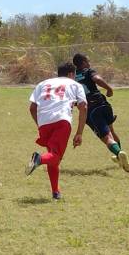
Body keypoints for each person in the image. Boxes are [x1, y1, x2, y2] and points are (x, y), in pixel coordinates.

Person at [25, 62, 88, 200]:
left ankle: (55, 192)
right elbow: (83, 107)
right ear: (71, 74)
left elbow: (32, 108)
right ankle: (38, 159)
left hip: (43, 122)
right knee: (55, 156)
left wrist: (40, 125)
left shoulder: (43, 83)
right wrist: (79, 133)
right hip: (61, 120)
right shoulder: (75, 85)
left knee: (52, 155)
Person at [72, 53, 129, 172]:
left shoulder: (72, 78)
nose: (89, 63)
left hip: (91, 110)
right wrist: (109, 89)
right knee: (111, 130)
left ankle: (119, 153)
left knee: (107, 138)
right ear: (83, 62)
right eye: (88, 61)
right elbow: (97, 79)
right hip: (103, 103)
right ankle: (119, 157)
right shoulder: (88, 71)